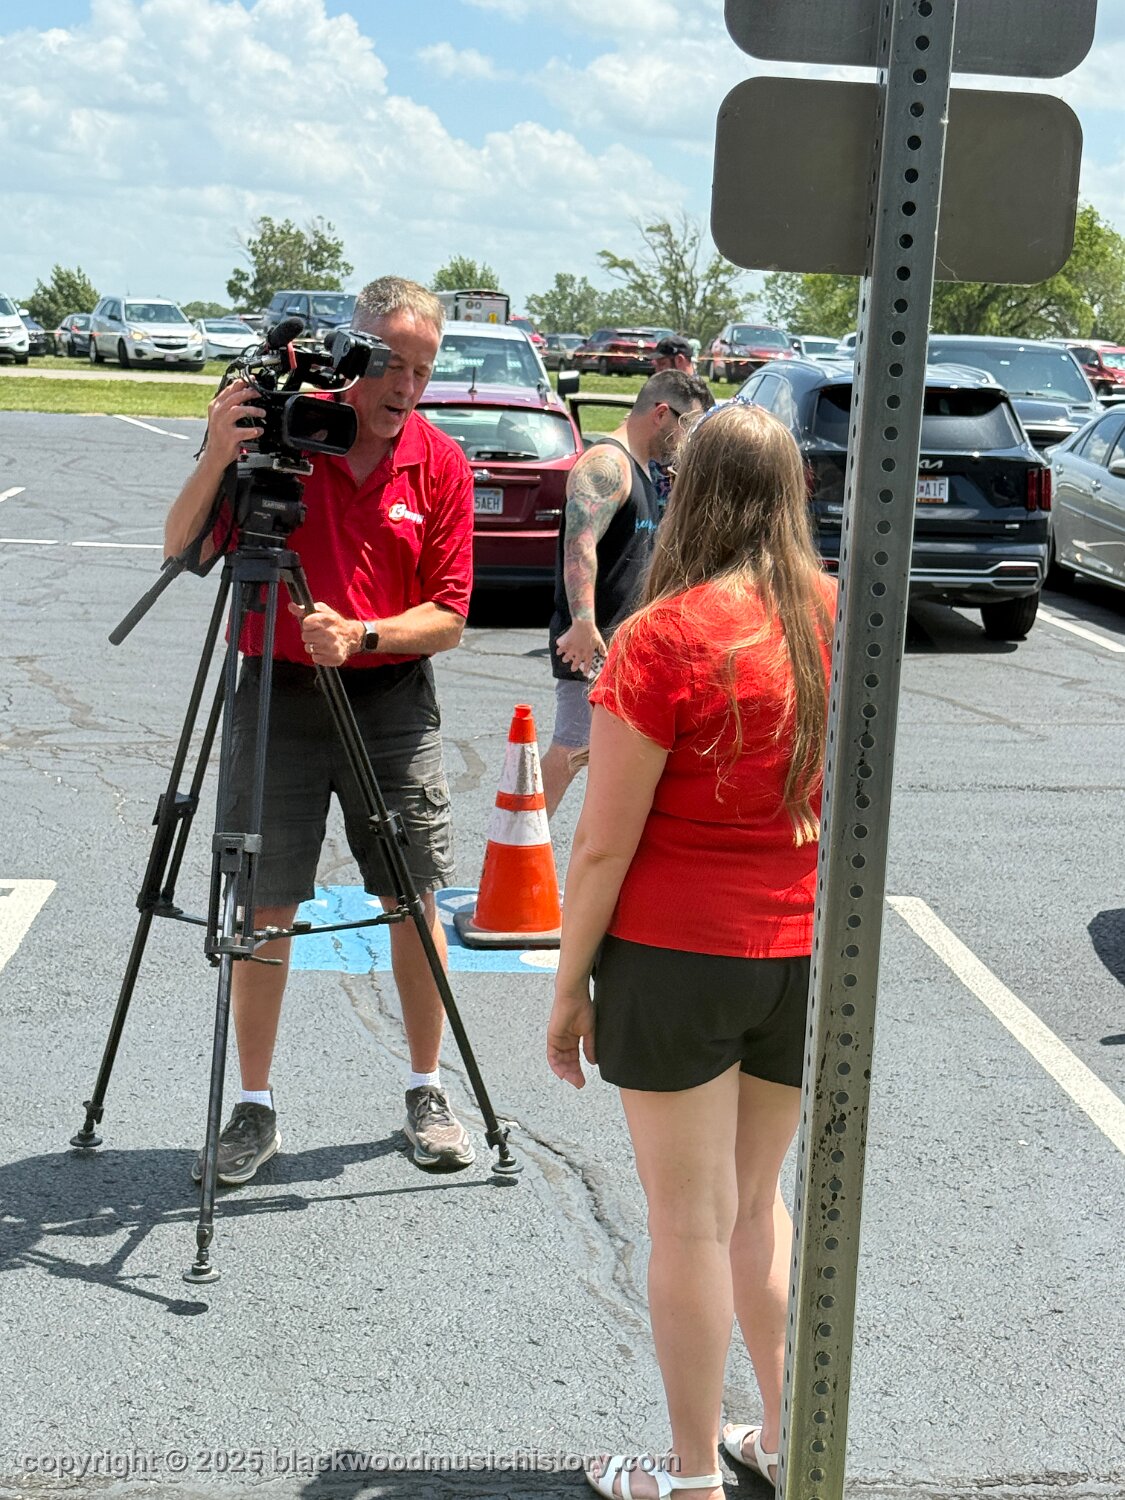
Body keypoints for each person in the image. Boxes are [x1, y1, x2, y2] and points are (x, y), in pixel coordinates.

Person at [546, 399, 837, 1499]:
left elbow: (601, 844)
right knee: (758, 1205)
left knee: (688, 1225)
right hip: (800, 952)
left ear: (688, 494)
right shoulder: (831, 614)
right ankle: (783, 1438)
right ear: (792, 495)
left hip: (675, 956)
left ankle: (687, 1475)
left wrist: (568, 987)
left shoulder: (663, 636)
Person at [164, 276, 478, 1184]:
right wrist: (219, 452)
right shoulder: (280, 436)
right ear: (352, 352)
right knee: (263, 903)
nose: (405, 386)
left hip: (390, 697)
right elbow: (181, 548)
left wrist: (363, 634)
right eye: (390, 363)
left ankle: (426, 1089)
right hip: (277, 692)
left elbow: (449, 614)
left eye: (423, 369)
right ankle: (252, 1104)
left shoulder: (440, 463)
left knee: (412, 896)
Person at [541, 370, 713, 819]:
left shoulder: (641, 472)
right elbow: (579, 544)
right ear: (662, 414)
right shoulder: (608, 464)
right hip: (591, 646)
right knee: (571, 749)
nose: (687, 439)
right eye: (687, 426)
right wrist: (583, 623)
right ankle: (511, 849)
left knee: (613, 762)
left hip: (622, 648)